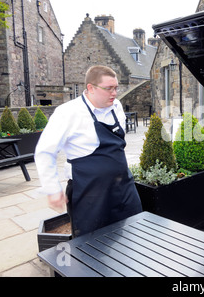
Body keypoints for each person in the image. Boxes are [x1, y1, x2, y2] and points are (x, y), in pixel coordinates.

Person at [35, 65, 142, 237]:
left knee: (132, 234)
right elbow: (44, 152)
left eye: (116, 88)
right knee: (92, 245)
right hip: (89, 193)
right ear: (90, 88)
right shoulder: (67, 113)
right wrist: (52, 189)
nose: (114, 93)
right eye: (108, 89)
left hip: (124, 187)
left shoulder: (117, 106)